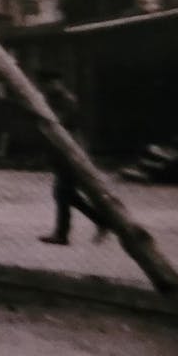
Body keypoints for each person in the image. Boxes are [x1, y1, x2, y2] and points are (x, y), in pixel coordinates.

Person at [38, 81, 110, 246]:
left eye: (47, 83)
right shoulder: (55, 100)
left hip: (70, 154)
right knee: (66, 194)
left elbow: (62, 124)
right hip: (63, 154)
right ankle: (98, 222)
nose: (44, 87)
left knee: (63, 193)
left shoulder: (66, 101)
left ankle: (65, 233)